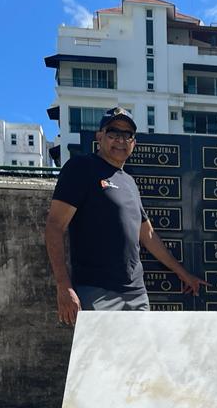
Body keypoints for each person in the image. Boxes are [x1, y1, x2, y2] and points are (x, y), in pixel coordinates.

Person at [45, 107, 205, 325]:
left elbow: (148, 236)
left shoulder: (129, 182)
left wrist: (183, 273)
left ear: (133, 143)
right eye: (114, 133)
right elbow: (55, 226)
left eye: (127, 135)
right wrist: (64, 286)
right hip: (97, 291)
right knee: (101, 349)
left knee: (141, 348)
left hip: (136, 293)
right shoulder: (81, 168)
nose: (120, 140)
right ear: (99, 136)